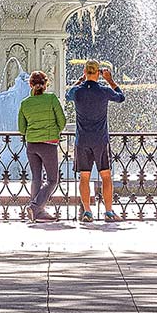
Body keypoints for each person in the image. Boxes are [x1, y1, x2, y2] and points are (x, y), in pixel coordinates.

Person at [66, 58, 124, 223]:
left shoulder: (77, 91)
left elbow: (67, 94)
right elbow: (121, 98)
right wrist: (111, 81)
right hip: (100, 139)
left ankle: (88, 212)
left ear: (85, 72)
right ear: (99, 73)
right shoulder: (104, 91)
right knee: (106, 176)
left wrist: (79, 81)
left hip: (82, 140)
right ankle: (109, 212)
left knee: (84, 177)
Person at [16, 70, 65, 222]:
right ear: (46, 84)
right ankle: (35, 206)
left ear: (30, 85)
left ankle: (37, 213)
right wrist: (54, 132)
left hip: (32, 144)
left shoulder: (25, 103)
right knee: (52, 180)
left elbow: (21, 129)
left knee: (36, 178)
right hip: (48, 144)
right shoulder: (51, 99)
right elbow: (62, 121)